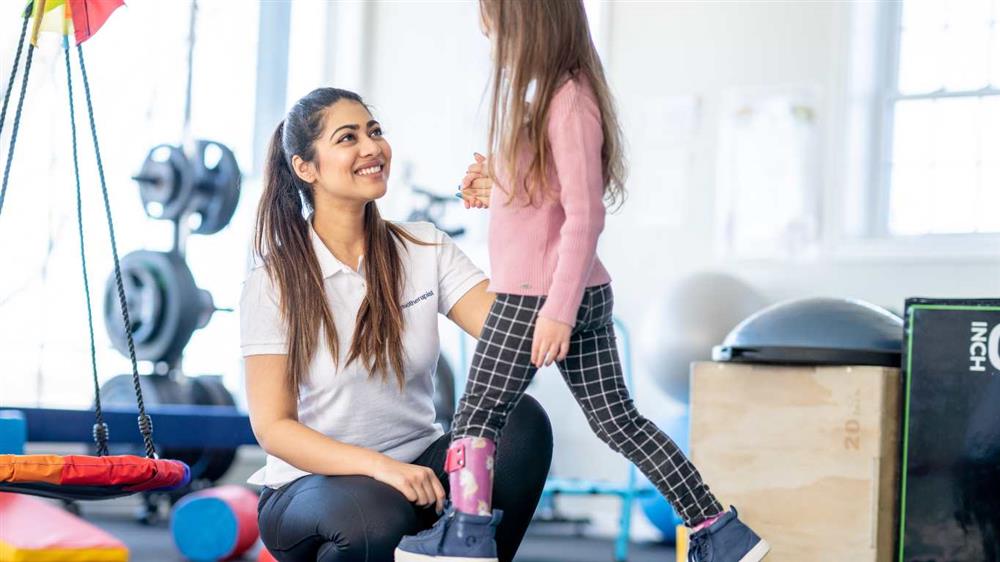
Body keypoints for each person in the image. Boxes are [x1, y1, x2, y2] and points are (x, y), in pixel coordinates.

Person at [395, 3, 769, 562]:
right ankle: (720, 532)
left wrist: (558, 312)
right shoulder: (549, 93)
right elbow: (546, 202)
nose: (483, 27)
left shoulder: (568, 101)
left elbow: (586, 215)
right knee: (620, 421)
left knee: (475, 417)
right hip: (562, 290)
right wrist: (498, 186)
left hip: (537, 297)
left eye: (491, 16)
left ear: (528, 22)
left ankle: (466, 534)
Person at [241, 87, 552, 562]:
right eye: (348, 138)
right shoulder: (274, 282)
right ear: (306, 168)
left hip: (421, 467)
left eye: (375, 132)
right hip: (311, 487)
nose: (372, 148)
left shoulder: (423, 248)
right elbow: (274, 427)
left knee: (522, 422)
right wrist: (381, 468)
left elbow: (519, 333)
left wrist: (522, 208)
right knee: (377, 518)